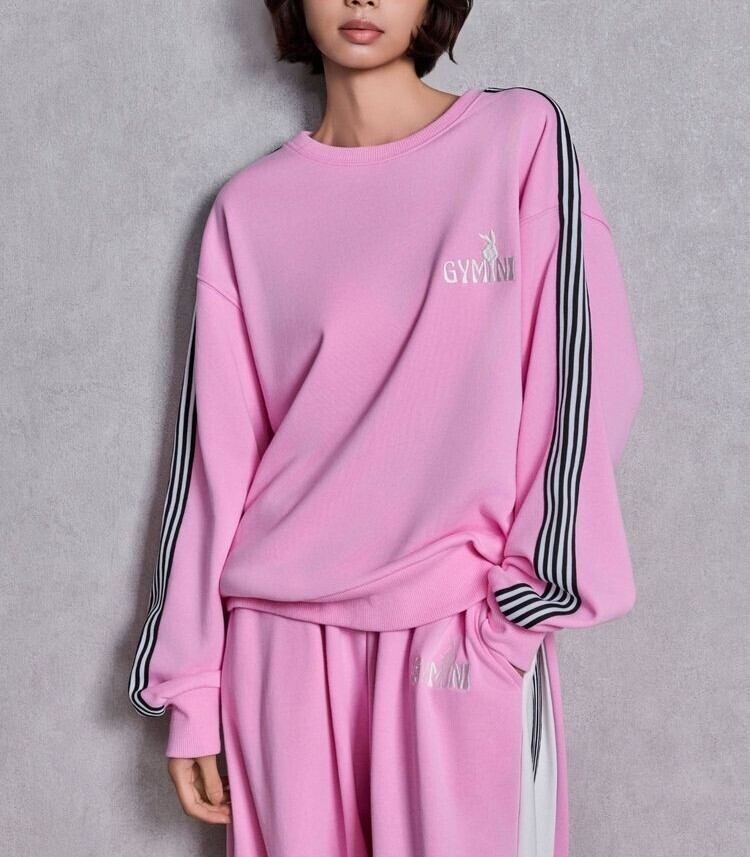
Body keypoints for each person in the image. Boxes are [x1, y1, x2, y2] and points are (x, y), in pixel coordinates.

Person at [127, 1, 644, 855]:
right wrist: (192, 684)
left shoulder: (517, 141)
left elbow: (584, 388)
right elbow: (212, 464)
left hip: (459, 634)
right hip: (281, 655)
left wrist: (515, 621)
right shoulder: (249, 211)